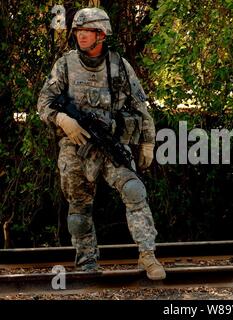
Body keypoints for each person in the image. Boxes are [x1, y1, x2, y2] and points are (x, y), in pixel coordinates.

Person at [37, 7, 166, 280]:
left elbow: (140, 107)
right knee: (79, 210)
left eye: (88, 31)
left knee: (134, 190)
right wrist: (62, 119)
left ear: (102, 34)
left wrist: (147, 143)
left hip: (110, 145)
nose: (81, 36)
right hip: (76, 147)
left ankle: (147, 255)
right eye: (78, 31)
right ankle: (87, 264)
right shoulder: (65, 64)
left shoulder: (118, 65)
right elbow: (43, 104)